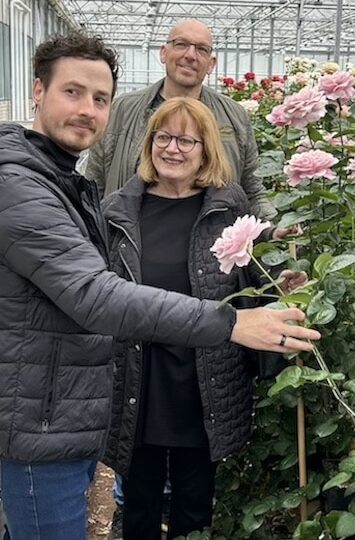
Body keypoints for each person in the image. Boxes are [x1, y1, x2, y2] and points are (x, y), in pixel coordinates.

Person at [0, 32, 320, 540]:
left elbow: (246, 270)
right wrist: (231, 322)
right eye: (72, 92)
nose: (87, 110)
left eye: (99, 98)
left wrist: (275, 282)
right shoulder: (24, 190)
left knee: (187, 500)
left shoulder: (62, 182)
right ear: (38, 91)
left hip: (60, 407)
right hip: (37, 418)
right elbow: (97, 294)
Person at [102, 97, 308, 540]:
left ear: (205, 149)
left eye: (185, 140)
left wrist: (281, 282)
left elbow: (256, 278)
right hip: (139, 378)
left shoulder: (227, 211)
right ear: (149, 144)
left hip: (204, 380)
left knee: (194, 507)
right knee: (138, 504)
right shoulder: (118, 212)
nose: (172, 149)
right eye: (164, 137)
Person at [86, 18, 277, 222]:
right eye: (181, 44)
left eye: (202, 49)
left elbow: (253, 190)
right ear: (163, 52)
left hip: (209, 243)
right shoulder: (121, 110)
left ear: (211, 64)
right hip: (129, 243)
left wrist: (274, 228)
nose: (190, 55)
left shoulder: (234, 116)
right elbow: (92, 188)